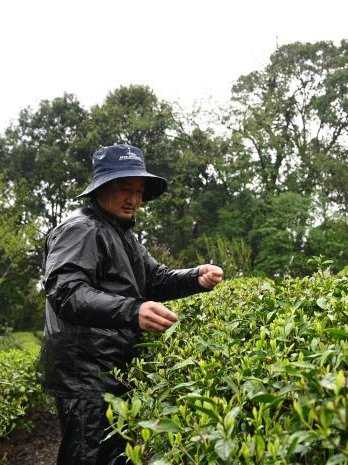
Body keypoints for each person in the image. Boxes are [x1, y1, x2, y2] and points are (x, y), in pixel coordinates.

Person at [38, 144, 224, 465]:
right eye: (125, 188)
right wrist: (133, 311)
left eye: (139, 191)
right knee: (89, 456)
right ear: (101, 187)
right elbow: (66, 292)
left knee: (115, 454)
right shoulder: (81, 229)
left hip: (113, 371)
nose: (134, 199)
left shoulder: (122, 234)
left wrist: (196, 277)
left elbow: (155, 279)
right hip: (87, 375)